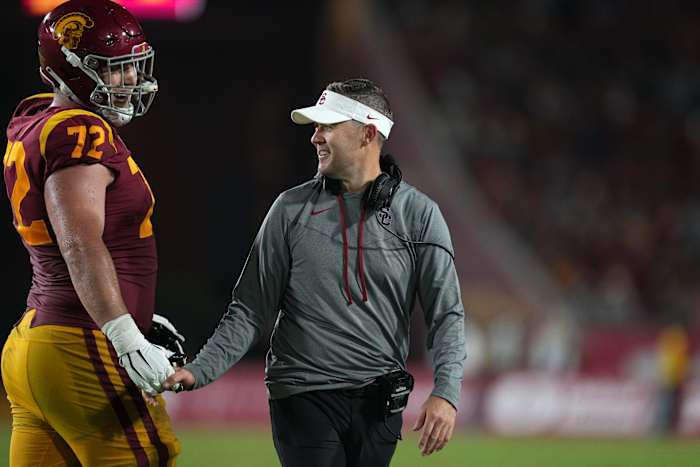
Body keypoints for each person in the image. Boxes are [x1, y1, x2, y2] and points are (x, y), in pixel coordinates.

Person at [165, 78, 466, 466]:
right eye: (315, 127)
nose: (315, 138)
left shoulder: (420, 216)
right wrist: (199, 370)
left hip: (380, 402)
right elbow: (251, 308)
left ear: (367, 134)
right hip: (302, 394)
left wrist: (446, 392)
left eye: (327, 126)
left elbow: (446, 314)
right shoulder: (289, 211)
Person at [1, 1, 182, 465]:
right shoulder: (79, 129)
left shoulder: (37, 121)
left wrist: (135, 312)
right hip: (79, 342)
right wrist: (124, 333)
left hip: (39, 342)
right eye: (114, 69)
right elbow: (80, 244)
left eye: (131, 68)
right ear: (69, 70)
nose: (129, 81)